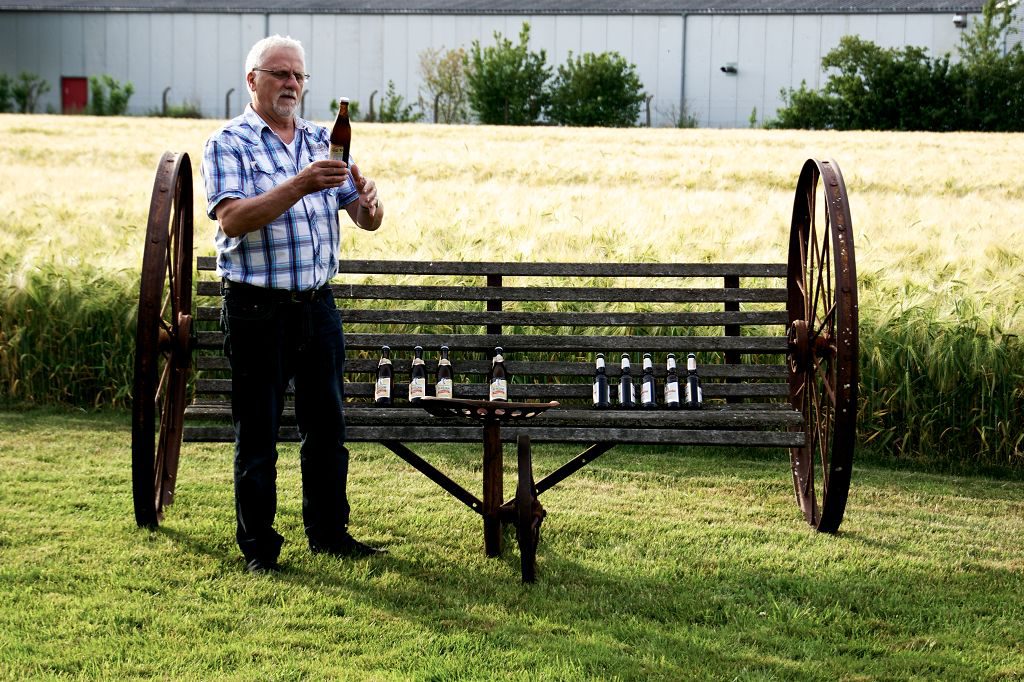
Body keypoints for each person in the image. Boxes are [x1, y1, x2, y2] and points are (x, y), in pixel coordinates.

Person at [202, 35, 385, 574]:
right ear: (252, 79)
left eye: (298, 76)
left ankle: (329, 533)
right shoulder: (228, 142)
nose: (291, 85)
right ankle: (259, 547)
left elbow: (363, 217)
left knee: (327, 428)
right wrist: (300, 184)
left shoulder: (323, 140)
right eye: (279, 74)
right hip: (256, 308)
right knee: (257, 432)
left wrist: (371, 205)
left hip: (317, 305)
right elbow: (232, 219)